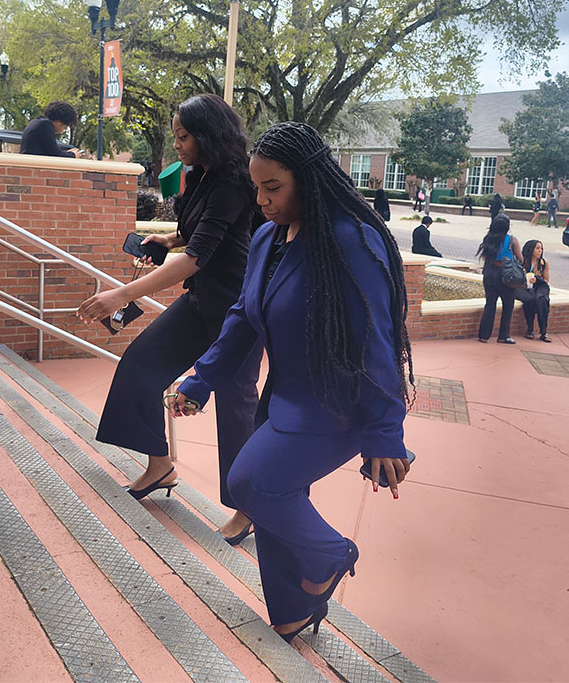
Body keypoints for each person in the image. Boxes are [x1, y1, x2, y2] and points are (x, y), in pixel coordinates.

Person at [169, 121, 412, 644]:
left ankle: (331, 553)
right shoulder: (267, 238)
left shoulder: (350, 242)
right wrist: (201, 378)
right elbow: (241, 317)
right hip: (287, 399)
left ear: (309, 180)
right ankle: (292, 609)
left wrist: (385, 434)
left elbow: (377, 341)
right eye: (256, 188)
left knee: (251, 482)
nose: (261, 201)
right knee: (276, 490)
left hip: (337, 405)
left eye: (272, 188)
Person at [76, 94, 259, 545]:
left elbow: (197, 258)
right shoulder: (200, 177)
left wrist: (122, 292)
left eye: (183, 136)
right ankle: (160, 466)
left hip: (238, 310)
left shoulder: (235, 181)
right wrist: (169, 236)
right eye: (175, 135)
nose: (176, 144)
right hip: (202, 302)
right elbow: (197, 235)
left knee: (236, 408)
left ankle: (248, 506)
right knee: (140, 365)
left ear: (208, 135)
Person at [477, 214, 523, 344]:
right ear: (507, 227)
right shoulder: (512, 240)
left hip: (490, 274)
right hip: (505, 275)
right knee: (508, 305)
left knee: (490, 305)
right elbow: (520, 258)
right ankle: (503, 336)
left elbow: (485, 258)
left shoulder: (488, 239)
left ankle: (484, 335)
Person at [516, 239, 551, 341]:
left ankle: (543, 331)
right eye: (537, 248)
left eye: (541, 249)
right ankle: (530, 329)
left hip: (539, 286)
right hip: (523, 287)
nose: (540, 251)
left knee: (542, 300)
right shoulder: (522, 262)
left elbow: (546, 280)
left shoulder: (544, 263)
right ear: (531, 249)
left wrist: (537, 280)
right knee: (530, 300)